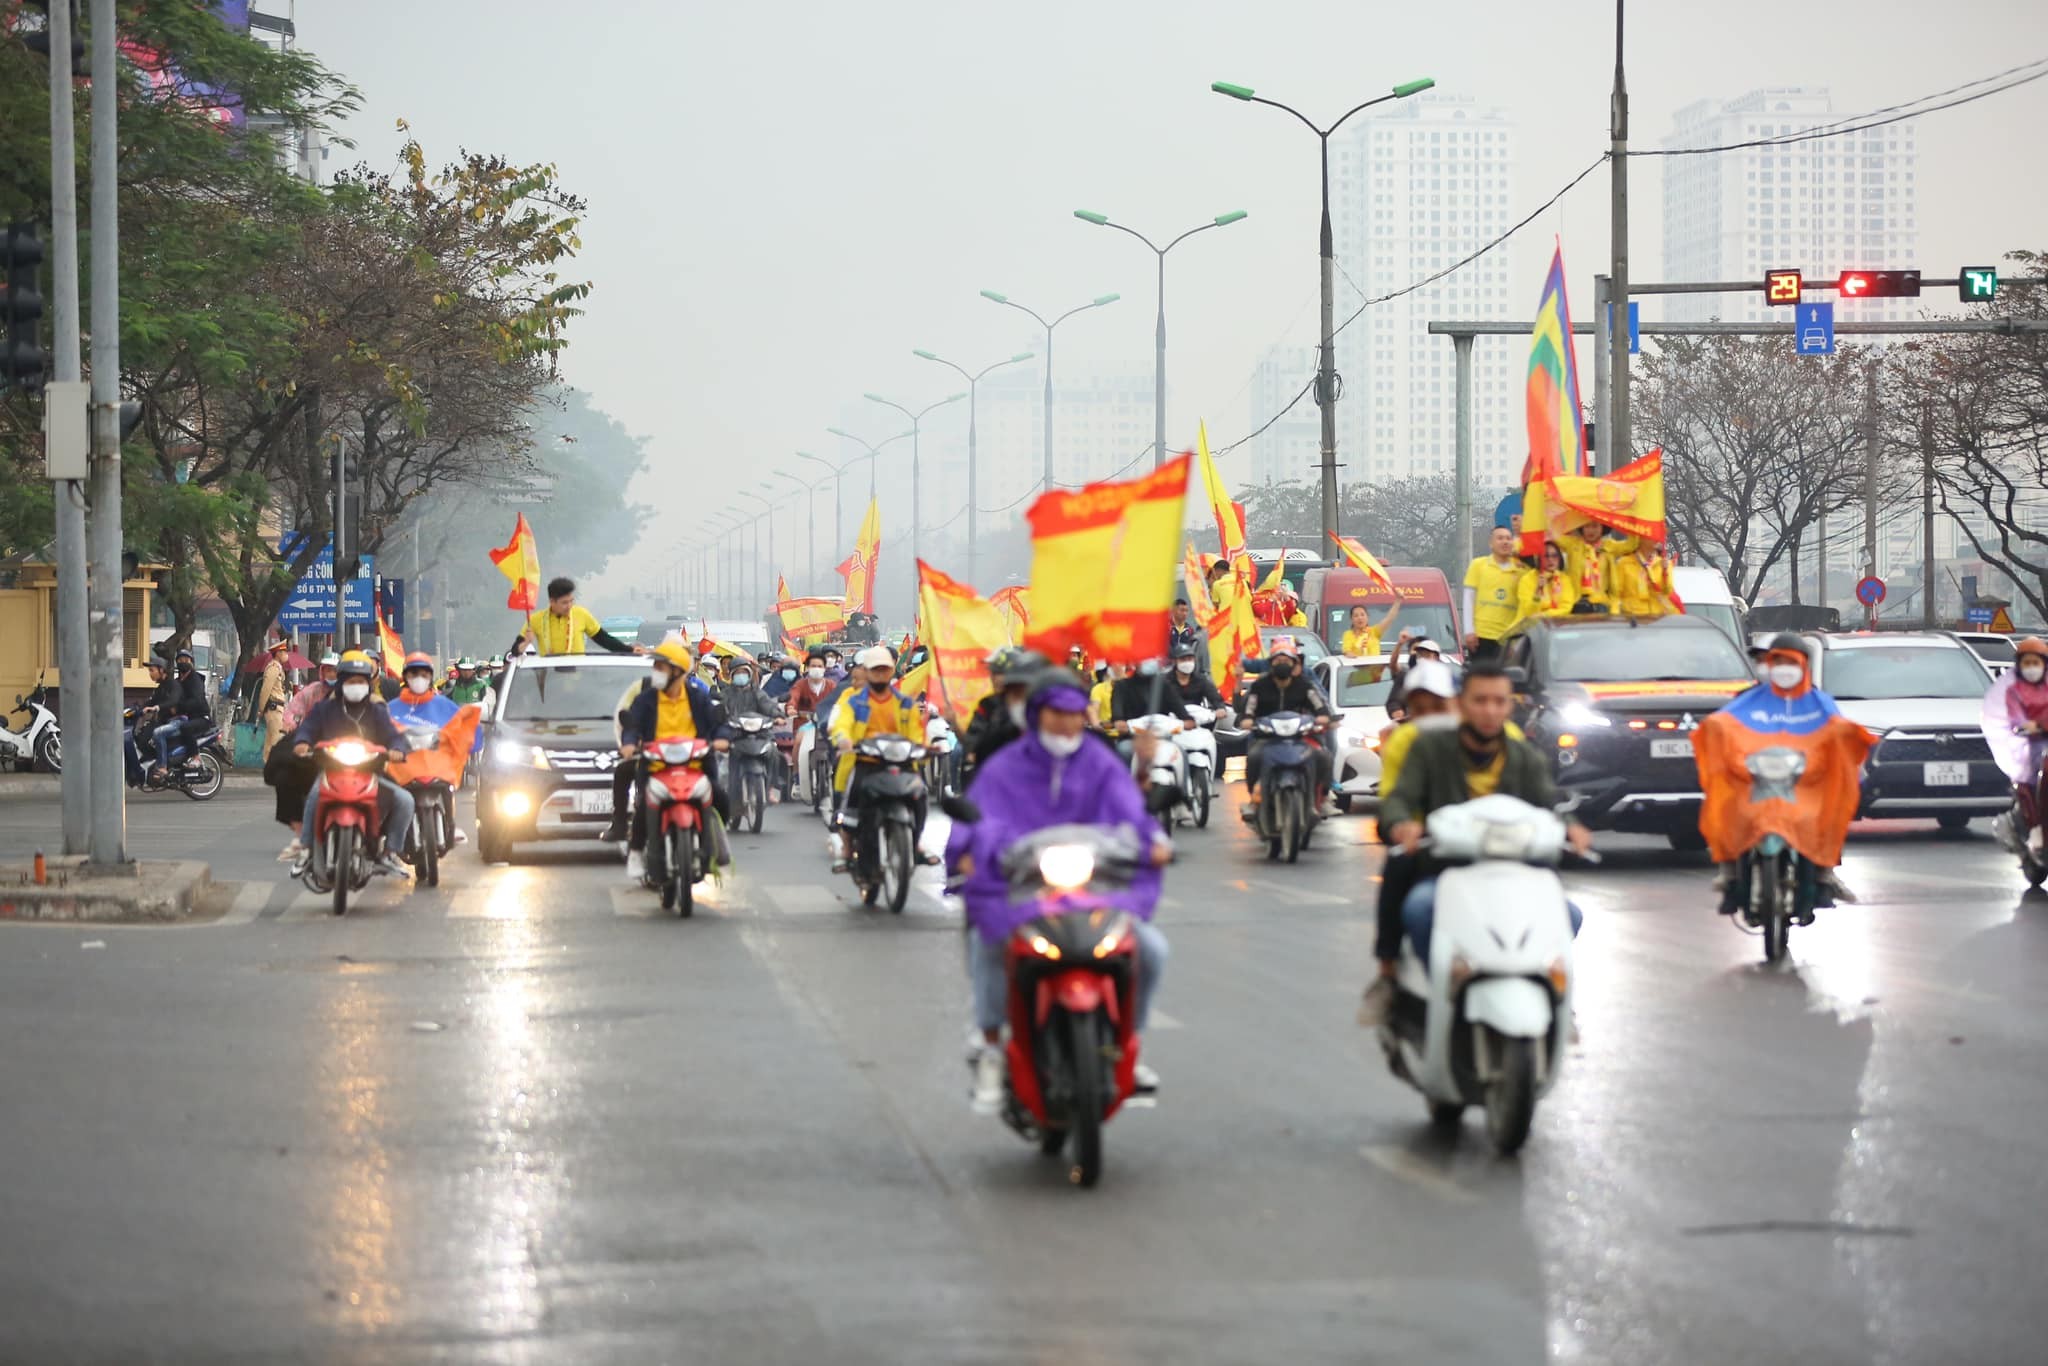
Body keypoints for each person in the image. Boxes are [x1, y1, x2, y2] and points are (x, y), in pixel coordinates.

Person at [949, 668, 1171, 1110]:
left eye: (1074, 715)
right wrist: (969, 851)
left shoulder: (1099, 760)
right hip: (1025, 890)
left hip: (1094, 889)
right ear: (1036, 715)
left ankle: (1131, 1045)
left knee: (1150, 950)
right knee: (989, 942)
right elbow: (980, 815)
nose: (1067, 724)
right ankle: (993, 1048)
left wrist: (1155, 841)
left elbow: (1129, 810)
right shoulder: (1006, 765)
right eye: (1056, 714)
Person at [1363, 662, 1591, 1018]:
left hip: (1513, 869)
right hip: (1446, 868)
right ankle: (1434, 990)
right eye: (1480, 701)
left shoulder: (1522, 754)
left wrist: (1570, 826)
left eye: (1498, 702)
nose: (1489, 710)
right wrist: (1402, 823)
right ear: (1463, 704)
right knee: (1419, 909)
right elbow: (1399, 797)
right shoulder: (1427, 749)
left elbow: (1548, 800)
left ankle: (1551, 995)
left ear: (1509, 707)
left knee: (1568, 915)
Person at [1697, 634, 1865, 910]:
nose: (1784, 668)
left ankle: (1824, 875)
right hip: (1754, 780)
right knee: (1727, 808)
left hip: (1803, 782)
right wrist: (1716, 735)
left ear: (1803, 665)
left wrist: (1845, 743)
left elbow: (1837, 731)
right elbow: (1723, 724)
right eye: (1779, 661)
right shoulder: (1748, 699)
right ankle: (1730, 876)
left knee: (1828, 812)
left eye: (1791, 661)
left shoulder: (1819, 702)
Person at [290, 652, 415, 879]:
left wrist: (398, 749)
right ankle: (306, 849)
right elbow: (308, 727)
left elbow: (393, 735)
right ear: (341, 683)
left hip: (371, 772)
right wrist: (302, 742)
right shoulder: (325, 708)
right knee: (314, 795)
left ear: (368, 683)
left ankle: (389, 852)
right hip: (332, 771)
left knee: (405, 800)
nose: (355, 686)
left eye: (360, 681)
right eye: (350, 681)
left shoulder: (377, 710)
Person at [619, 638, 734, 881]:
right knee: (642, 807)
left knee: (721, 800)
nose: (656, 673)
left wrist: (722, 739)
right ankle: (637, 851)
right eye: (655, 667)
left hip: (696, 767)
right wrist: (629, 744)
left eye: (661, 667)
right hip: (656, 767)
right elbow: (633, 725)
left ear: (678, 671)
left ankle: (717, 844)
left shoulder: (698, 698)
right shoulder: (646, 699)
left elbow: (718, 723)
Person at [826, 645, 930, 871]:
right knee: (849, 808)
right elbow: (842, 724)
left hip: (900, 763)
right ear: (868, 672)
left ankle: (916, 842)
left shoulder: (905, 703)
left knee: (920, 796)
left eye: (885, 670)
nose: (880, 674)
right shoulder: (854, 701)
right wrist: (843, 738)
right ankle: (846, 849)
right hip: (864, 762)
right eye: (876, 670)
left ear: (892, 671)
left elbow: (916, 732)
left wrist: (925, 747)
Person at [1237, 636, 1337, 810]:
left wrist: (1324, 717)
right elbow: (1248, 709)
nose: (1282, 664)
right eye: (1278, 660)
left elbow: (1320, 706)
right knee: (1253, 757)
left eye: (1287, 660)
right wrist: (1247, 720)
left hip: (1299, 737)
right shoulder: (1260, 686)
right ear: (1270, 663)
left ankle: (1323, 796)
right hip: (1266, 738)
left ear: (1294, 663)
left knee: (1323, 756)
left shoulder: (1305, 685)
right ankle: (1255, 796)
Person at [269, 652, 339, 861]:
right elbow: (292, 710)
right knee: (281, 769)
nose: (331, 674)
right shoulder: (312, 692)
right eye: (327, 670)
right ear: (321, 672)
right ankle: (300, 831)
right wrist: (290, 724)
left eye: (335, 670)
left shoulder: (351, 694)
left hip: (345, 745)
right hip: (311, 741)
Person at [961, 646, 1047, 781]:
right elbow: (974, 741)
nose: (994, 679)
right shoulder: (988, 705)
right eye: (992, 674)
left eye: (998, 673)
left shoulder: (1042, 709)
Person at [512, 577, 647, 657]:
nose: (569, 605)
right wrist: (526, 643)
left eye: (571, 601)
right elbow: (515, 650)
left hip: (578, 677)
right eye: (564, 602)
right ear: (552, 601)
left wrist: (629, 650)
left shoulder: (581, 614)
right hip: (549, 679)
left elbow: (604, 639)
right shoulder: (536, 619)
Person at [1999, 637, 2048, 852]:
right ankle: (2035, 827)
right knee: (2030, 777)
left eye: (2035, 663)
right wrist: (2028, 726)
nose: (2031, 668)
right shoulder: (2014, 692)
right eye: (2027, 663)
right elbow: (2014, 718)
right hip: (2031, 743)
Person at [1461, 525, 1528, 662]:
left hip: (1509, 637)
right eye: (1500, 538)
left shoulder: (1521, 571)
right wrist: (1469, 631)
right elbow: (1469, 598)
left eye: (1508, 538)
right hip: (1482, 636)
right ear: (1491, 543)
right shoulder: (1478, 565)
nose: (1505, 542)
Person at [147, 647, 213, 782]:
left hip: (201, 717)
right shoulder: (178, 681)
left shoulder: (195, 680)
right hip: (186, 717)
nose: (183, 662)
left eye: (186, 660)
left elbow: (196, 701)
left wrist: (178, 707)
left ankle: (195, 757)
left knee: (185, 728)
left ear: (191, 662)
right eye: (180, 660)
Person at [1512, 538, 1580, 627]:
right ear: (1539, 559)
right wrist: (1538, 590)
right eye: (1546, 556)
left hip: (1555, 627)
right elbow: (1529, 612)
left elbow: (1566, 608)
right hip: (1528, 627)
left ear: (1560, 558)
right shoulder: (1527, 579)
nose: (1551, 560)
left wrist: (1544, 615)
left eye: (1554, 556)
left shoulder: (1564, 579)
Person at [1611, 536, 1679, 618]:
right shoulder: (1624, 563)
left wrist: (1665, 572)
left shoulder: (1664, 563)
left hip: (1656, 620)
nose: (1657, 538)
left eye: (1658, 534)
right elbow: (1615, 595)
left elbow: (1667, 591)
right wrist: (1614, 617)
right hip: (1632, 620)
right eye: (1652, 535)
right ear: (1640, 539)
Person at [1562, 520, 1615, 614]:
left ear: (1602, 528)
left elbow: (1631, 545)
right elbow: (1551, 536)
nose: (1591, 530)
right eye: (1587, 526)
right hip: (1577, 603)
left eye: (1595, 526)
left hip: (1601, 604)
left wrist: (1635, 521)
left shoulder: (1609, 546)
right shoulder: (1572, 544)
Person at [255, 637, 293, 760]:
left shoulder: (278, 668)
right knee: (276, 740)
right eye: (284, 652)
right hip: (273, 708)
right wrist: (261, 709)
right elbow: (266, 689)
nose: (286, 655)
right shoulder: (273, 668)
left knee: (270, 741)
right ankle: (276, 769)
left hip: (277, 707)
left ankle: (269, 767)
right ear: (278, 653)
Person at [1168, 598, 1209, 675]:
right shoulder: (1165, 628)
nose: (1185, 613)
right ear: (1173, 611)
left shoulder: (1190, 630)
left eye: (1186, 611)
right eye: (1182, 610)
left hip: (1183, 666)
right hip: (1168, 666)